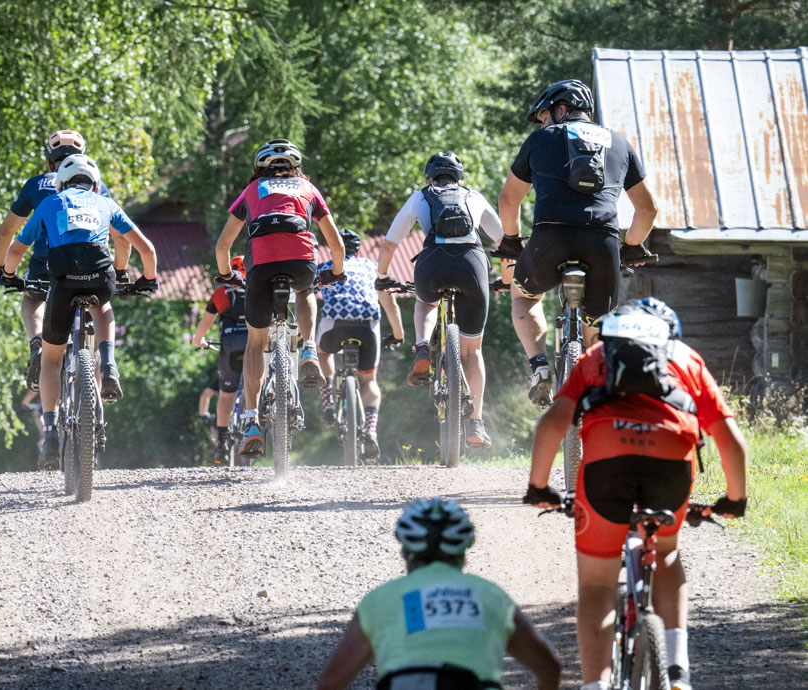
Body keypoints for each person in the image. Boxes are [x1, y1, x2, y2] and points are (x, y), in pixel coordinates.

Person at [523, 298, 749, 690]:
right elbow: (730, 441)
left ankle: (596, 685)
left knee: (596, 584)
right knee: (666, 552)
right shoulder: (686, 359)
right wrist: (735, 499)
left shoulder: (595, 357)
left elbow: (554, 423)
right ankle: (677, 671)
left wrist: (539, 487)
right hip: (670, 459)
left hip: (606, 462)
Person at [495, 79, 659, 406]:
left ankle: (539, 365)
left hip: (549, 240)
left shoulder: (541, 139)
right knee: (596, 317)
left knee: (524, 296)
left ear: (560, 109)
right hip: (602, 243)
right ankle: (590, 377)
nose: (542, 123)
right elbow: (648, 208)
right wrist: (631, 247)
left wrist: (512, 242)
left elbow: (508, 201)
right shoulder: (619, 143)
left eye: (543, 116)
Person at [0, 154, 159, 469]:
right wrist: (149, 281)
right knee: (104, 304)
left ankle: (49, 433)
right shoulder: (106, 204)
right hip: (100, 276)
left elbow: (17, 248)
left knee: (52, 359)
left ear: (61, 182)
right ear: (95, 184)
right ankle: (109, 363)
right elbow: (147, 249)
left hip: (61, 281)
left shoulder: (50, 203)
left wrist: (8, 274)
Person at [318, 497, 562, 690]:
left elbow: (331, 683)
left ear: (405, 550)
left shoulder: (379, 600)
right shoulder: (492, 596)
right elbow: (549, 668)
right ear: (464, 551)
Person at [213, 138, 348, 457]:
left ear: (259, 168)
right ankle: (309, 349)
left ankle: (251, 423)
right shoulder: (308, 188)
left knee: (255, 344)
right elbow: (337, 246)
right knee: (306, 290)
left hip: (260, 268)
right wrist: (337, 271)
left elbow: (223, 247)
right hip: (301, 262)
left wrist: (227, 275)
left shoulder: (252, 191)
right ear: (296, 166)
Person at [376, 152, 511, 449]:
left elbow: (389, 243)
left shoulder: (420, 197)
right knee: (472, 352)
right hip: (472, 265)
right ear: (460, 178)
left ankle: (422, 345)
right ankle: (476, 421)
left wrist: (383, 276)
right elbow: (504, 242)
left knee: (426, 302)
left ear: (429, 178)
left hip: (432, 264)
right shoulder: (473, 196)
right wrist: (505, 280)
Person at [0, 130, 126, 392]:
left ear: (49, 161)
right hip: (91, 266)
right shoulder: (97, 188)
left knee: (32, 299)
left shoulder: (36, 185)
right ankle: (96, 408)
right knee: (100, 312)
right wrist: (119, 272)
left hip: (46, 266)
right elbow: (119, 234)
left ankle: (37, 343)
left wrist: (1, 269)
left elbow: (6, 232)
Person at [315, 228, 402, 459]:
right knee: (369, 381)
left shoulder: (324, 267)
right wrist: (398, 334)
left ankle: (328, 401)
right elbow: (389, 302)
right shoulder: (372, 267)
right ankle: (371, 431)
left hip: (334, 325)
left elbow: (306, 295)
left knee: (321, 353)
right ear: (358, 249)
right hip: (367, 327)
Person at [191, 255, 250, 463]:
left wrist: (199, 341)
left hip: (230, 346)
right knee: (259, 384)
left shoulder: (221, 293)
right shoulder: (257, 289)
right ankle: (255, 426)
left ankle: (222, 443)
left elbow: (201, 331)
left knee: (226, 394)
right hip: (255, 345)